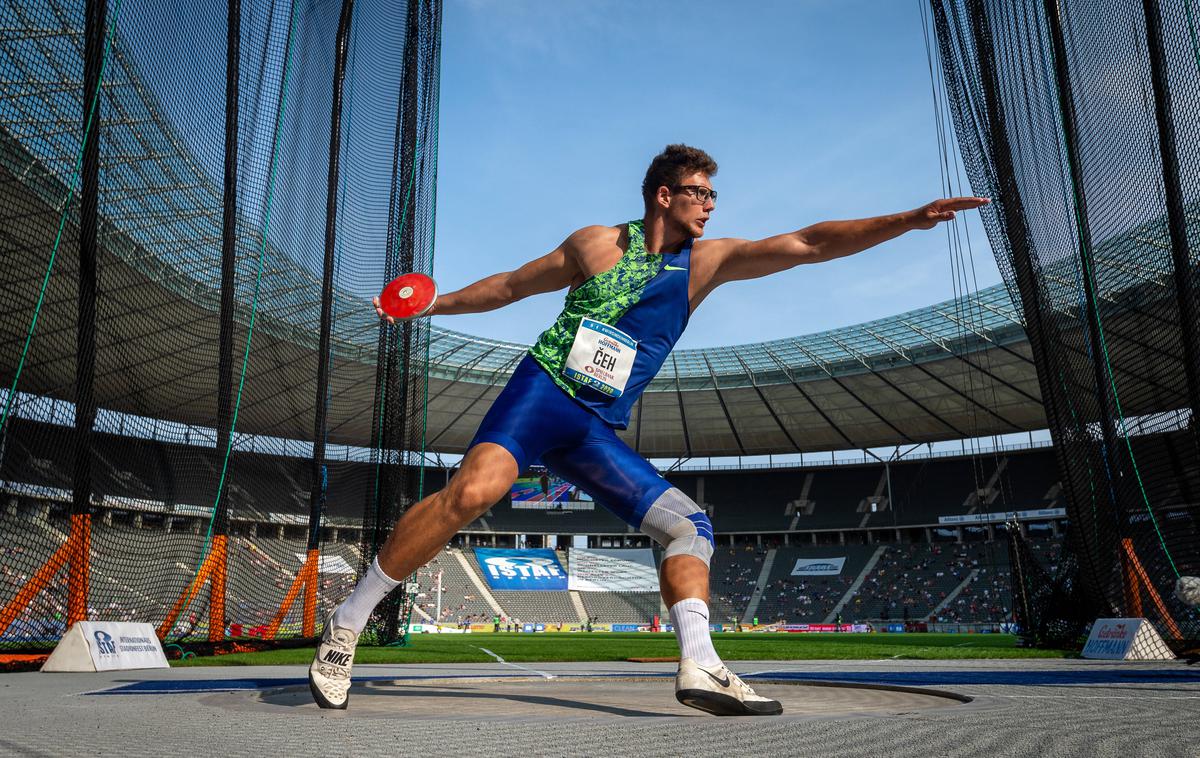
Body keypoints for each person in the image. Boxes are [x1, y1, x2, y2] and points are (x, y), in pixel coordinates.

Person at [309, 144, 987, 715]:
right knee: (474, 493)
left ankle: (701, 666)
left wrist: (909, 219)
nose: (711, 206)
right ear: (663, 195)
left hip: (593, 427)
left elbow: (809, 243)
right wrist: (433, 304)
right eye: (699, 193)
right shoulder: (595, 245)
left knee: (689, 526)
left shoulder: (705, 262)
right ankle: (346, 626)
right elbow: (514, 286)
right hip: (544, 390)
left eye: (714, 196)